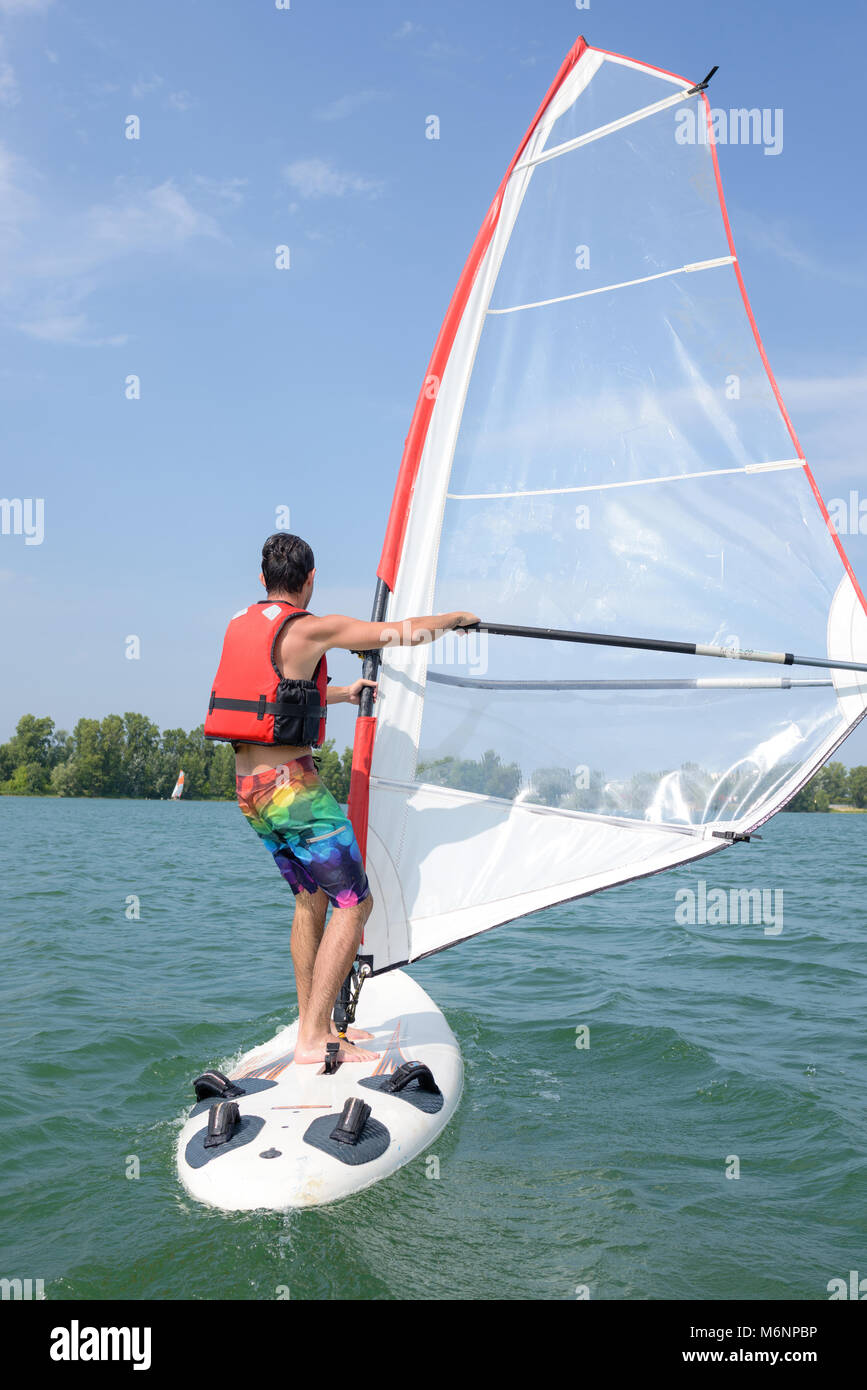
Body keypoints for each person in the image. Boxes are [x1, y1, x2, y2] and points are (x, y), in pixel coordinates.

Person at [204, 532, 478, 1066]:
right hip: (290, 789)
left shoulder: (242, 625)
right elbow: (398, 634)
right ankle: (312, 1038)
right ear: (310, 580)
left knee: (311, 899)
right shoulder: (313, 627)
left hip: (249, 791)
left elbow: (277, 688)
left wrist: (342, 693)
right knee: (355, 902)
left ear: (263, 581)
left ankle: (318, 1022)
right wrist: (453, 619)